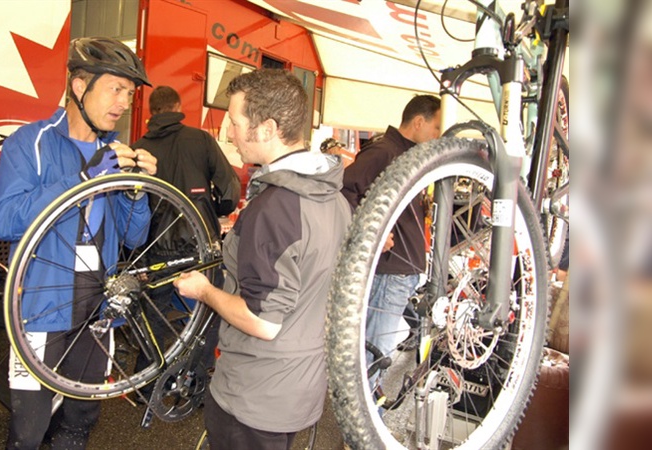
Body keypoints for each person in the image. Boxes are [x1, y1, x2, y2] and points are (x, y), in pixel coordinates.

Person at [0, 37, 158, 450]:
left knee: (79, 423)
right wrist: (82, 180)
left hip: (98, 307)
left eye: (130, 94)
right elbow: (5, 220)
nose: (124, 102)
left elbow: (134, 237)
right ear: (80, 87)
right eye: (116, 89)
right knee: (27, 431)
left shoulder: (115, 151)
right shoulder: (30, 143)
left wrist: (138, 193)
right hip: (44, 305)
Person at [173, 69, 351, 450]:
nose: (228, 133)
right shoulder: (333, 197)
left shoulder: (275, 208)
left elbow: (262, 320)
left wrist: (203, 290)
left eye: (235, 122)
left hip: (253, 396)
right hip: (297, 389)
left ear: (267, 129)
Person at [129, 85, 241, 426]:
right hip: (199, 242)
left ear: (151, 111)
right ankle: (194, 381)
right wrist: (217, 208)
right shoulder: (201, 140)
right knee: (210, 312)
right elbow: (230, 188)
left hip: (155, 248)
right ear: (178, 107)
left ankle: (144, 384)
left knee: (154, 315)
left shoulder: (139, 148)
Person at [341, 94, 441, 364]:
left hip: (399, 270)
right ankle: (369, 406)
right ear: (419, 122)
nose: (438, 136)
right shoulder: (383, 152)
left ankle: (371, 402)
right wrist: (371, 232)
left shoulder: (407, 155)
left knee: (375, 350)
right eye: (437, 128)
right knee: (376, 352)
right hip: (390, 270)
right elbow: (344, 194)